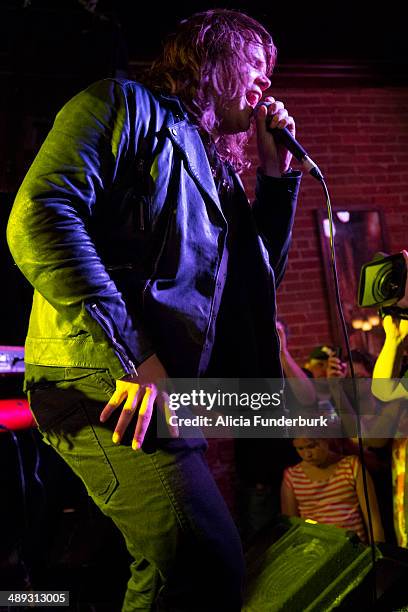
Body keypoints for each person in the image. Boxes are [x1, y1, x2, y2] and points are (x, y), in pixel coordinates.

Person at [7, 9, 302, 611]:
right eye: (254, 64)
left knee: (167, 571)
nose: (265, 84)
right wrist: (137, 357)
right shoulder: (122, 105)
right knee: (207, 561)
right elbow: (39, 215)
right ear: (210, 58)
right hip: (101, 374)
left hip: (151, 385)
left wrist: (276, 179)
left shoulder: (211, 166)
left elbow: (254, 285)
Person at [281, 438, 385, 543]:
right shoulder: (293, 477)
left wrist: (377, 553)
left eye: (312, 446)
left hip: (352, 546)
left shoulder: (351, 466)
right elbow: (290, 528)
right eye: (300, 448)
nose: (307, 454)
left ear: (326, 439)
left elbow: (373, 521)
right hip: (314, 549)